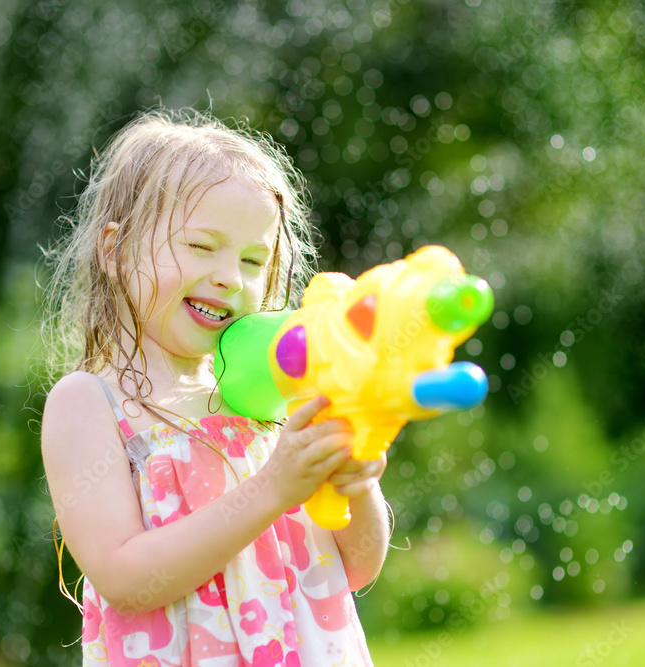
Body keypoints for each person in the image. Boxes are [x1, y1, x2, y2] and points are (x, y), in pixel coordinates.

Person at [39, 109, 389, 666]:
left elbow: (356, 567)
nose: (232, 276)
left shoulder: (273, 397)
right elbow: (125, 580)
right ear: (113, 249)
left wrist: (356, 485)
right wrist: (273, 488)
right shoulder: (90, 404)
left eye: (254, 260)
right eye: (202, 246)